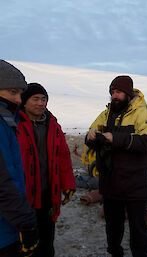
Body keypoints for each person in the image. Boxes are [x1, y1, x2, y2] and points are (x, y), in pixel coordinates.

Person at [85, 75, 147, 257]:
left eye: (118, 92)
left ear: (127, 93)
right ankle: (115, 253)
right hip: (110, 182)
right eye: (112, 92)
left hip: (135, 182)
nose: (114, 96)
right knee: (113, 226)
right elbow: (90, 135)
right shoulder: (106, 114)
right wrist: (91, 136)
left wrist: (116, 138)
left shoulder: (141, 113)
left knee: (138, 228)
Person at [17, 83, 76, 257]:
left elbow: (63, 157)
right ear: (24, 102)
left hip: (48, 194)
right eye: (35, 99)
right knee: (25, 245)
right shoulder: (15, 124)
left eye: (44, 99)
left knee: (47, 242)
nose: (40, 103)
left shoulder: (52, 125)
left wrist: (68, 184)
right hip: (24, 196)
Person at [0, 60, 39, 257]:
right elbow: (3, 182)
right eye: (12, 92)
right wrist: (26, 222)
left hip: (9, 223)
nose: (18, 99)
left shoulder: (9, 122)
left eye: (19, 93)